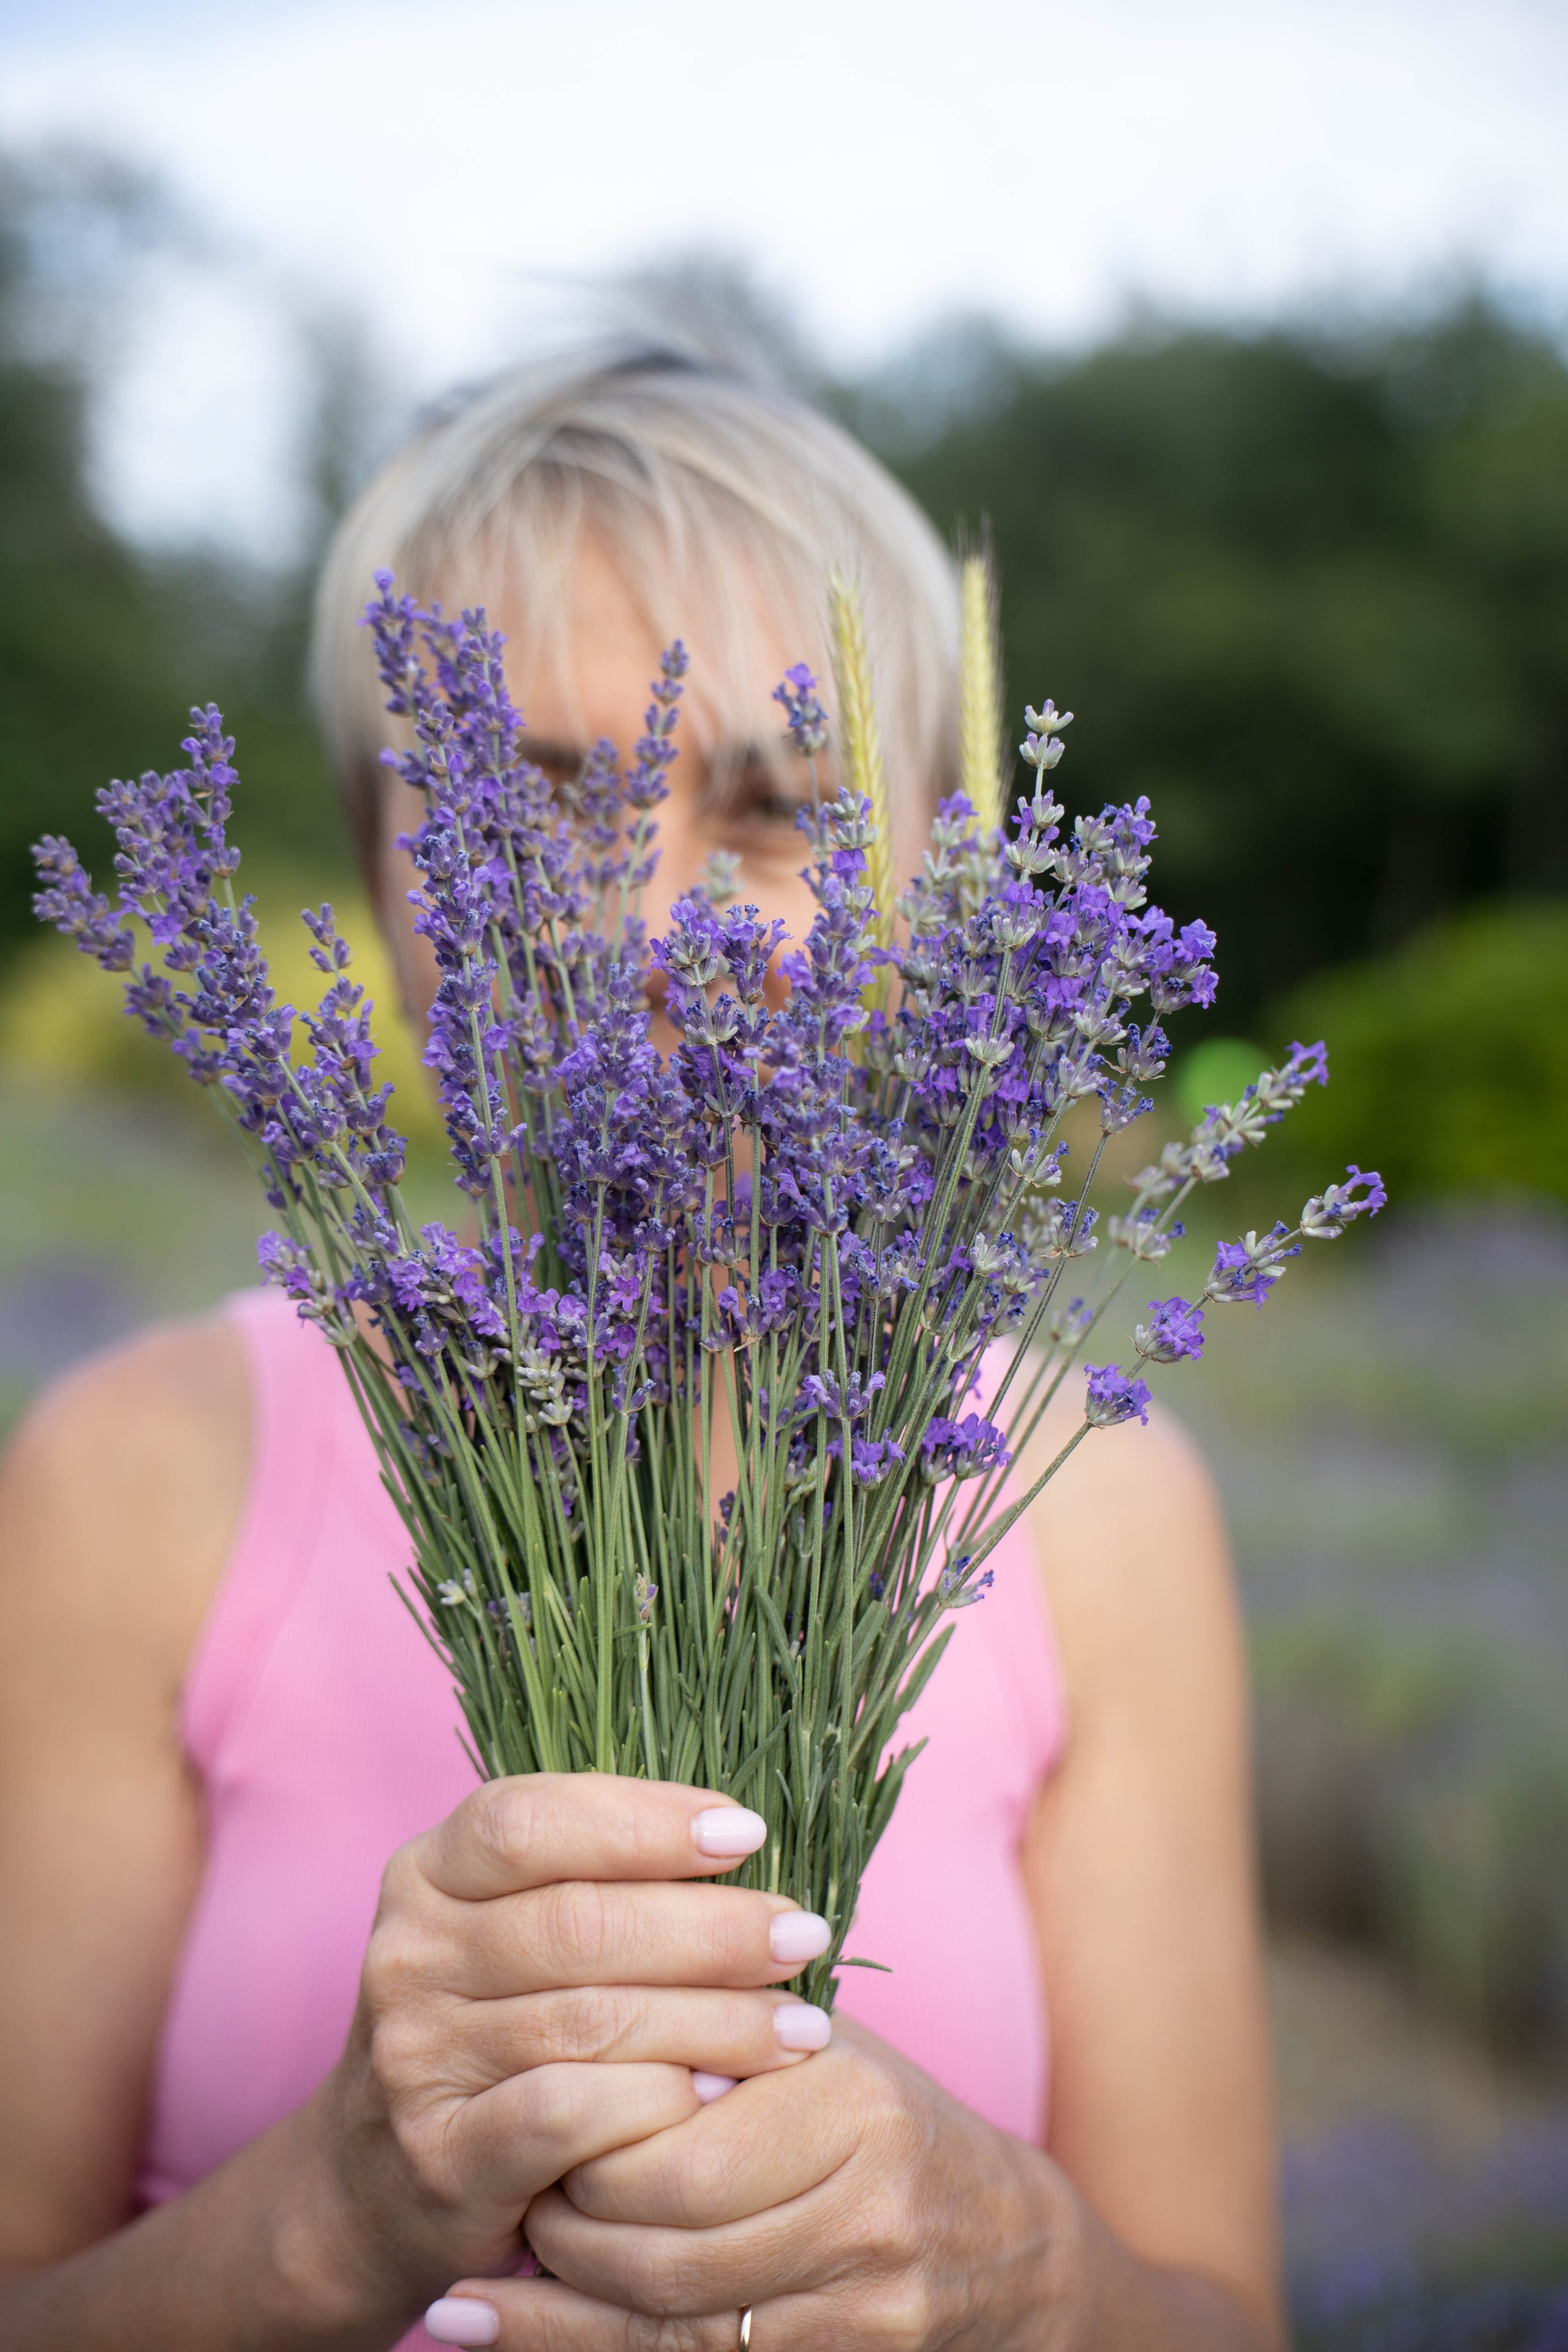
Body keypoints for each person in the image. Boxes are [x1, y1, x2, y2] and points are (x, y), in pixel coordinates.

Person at [0, 344, 1281, 2351]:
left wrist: (1027, 2279)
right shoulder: (135, 1473)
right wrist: (341, 2214)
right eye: (531, 808)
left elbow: (1228, 2321)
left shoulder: (1100, 1508)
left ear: (940, 892)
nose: (649, 925)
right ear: (376, 872)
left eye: (774, 813)